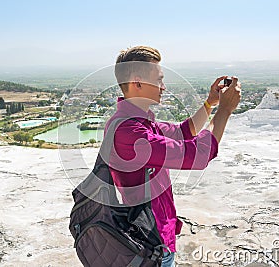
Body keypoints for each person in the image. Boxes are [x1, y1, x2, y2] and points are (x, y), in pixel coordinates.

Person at [103, 46, 241, 267]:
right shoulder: (130, 133)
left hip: (158, 237)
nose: (164, 87)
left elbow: (182, 133)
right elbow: (199, 155)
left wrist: (211, 103)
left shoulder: (138, 122)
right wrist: (225, 110)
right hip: (151, 245)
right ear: (138, 83)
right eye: (159, 80)